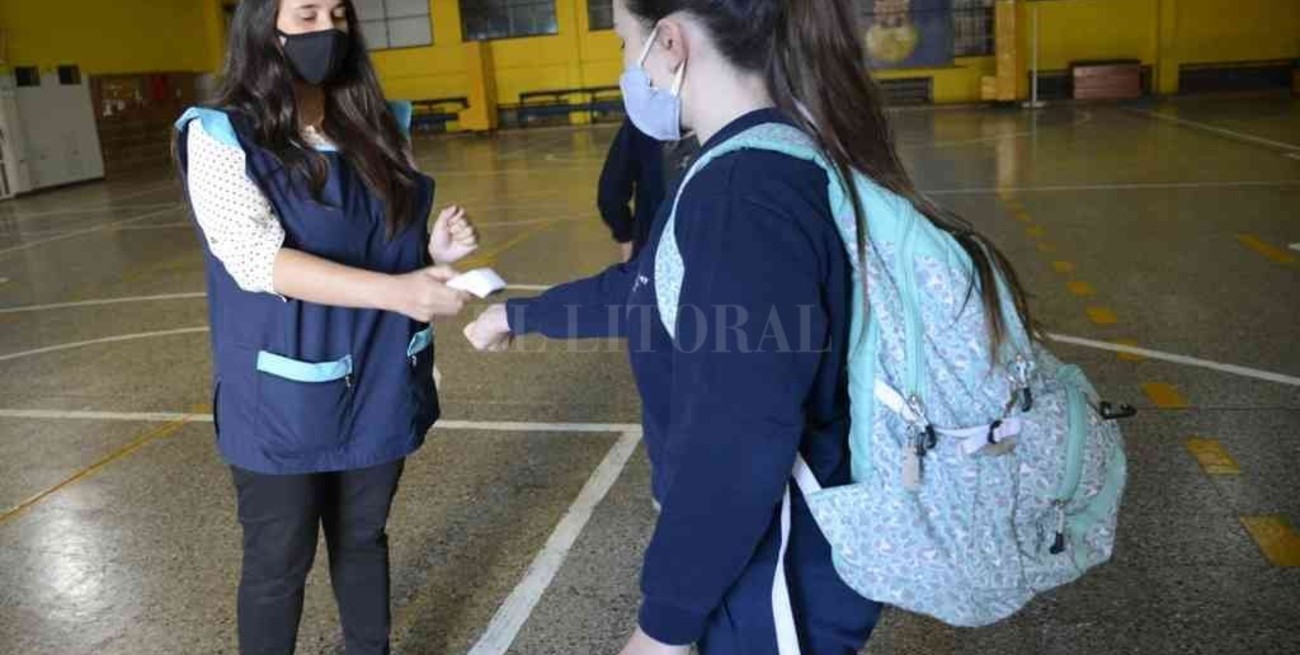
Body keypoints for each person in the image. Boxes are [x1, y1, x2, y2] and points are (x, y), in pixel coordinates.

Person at [464, 0, 1033, 654]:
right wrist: (521, 314)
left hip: (777, 571)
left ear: (670, 43)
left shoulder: (743, 193)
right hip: (776, 555)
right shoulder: (761, 154)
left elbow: (737, 435)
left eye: (626, 44)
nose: (628, 68)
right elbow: (648, 287)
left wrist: (662, 629)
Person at [173, 1, 477, 652]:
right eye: (306, 15)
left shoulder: (382, 129)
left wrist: (433, 255)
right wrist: (398, 291)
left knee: (363, 536)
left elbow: (390, 247)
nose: (328, 31)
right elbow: (256, 259)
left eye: (337, 13)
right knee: (278, 561)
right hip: (282, 399)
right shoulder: (221, 137)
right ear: (265, 30)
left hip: (378, 384)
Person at [597, 117, 698, 262]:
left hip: (653, 250)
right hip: (715, 252)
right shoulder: (730, 115)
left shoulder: (644, 118)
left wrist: (625, 236)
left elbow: (610, 194)